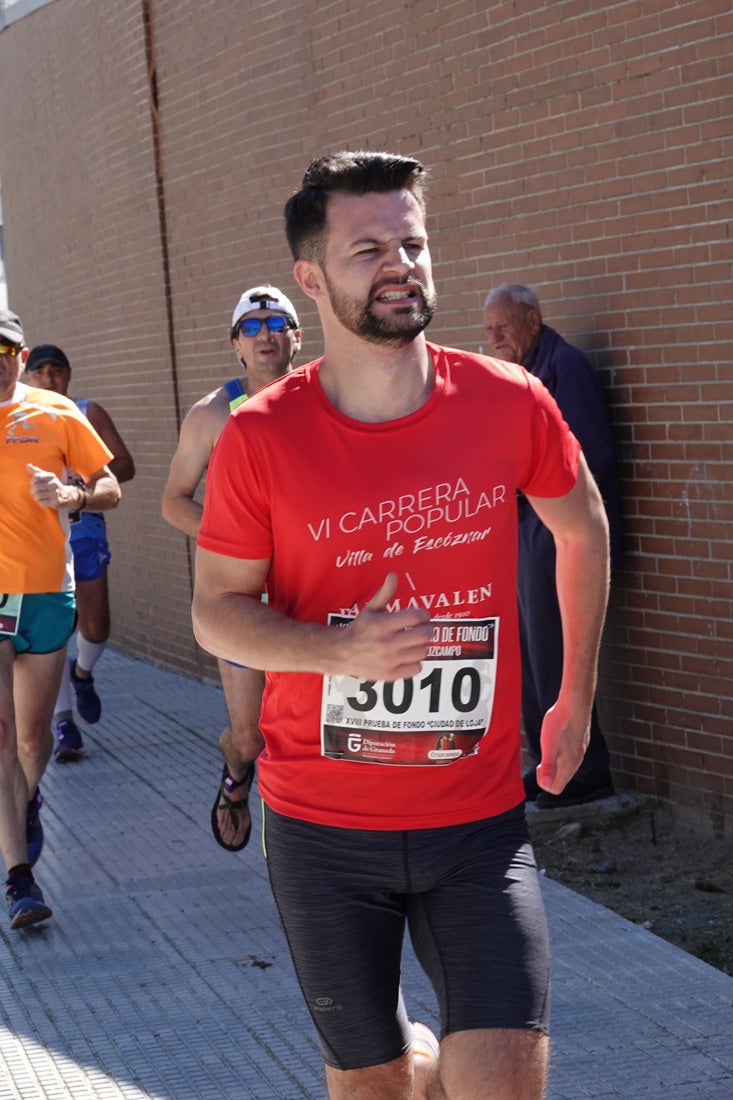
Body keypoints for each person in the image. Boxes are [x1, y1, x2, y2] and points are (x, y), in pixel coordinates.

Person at [192, 152, 610, 1100]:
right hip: (323, 831)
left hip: (477, 821)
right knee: (375, 1087)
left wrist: (574, 698)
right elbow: (215, 612)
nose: (400, 265)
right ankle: (413, 1065)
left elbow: (582, 525)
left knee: (504, 1084)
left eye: (413, 243)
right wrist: (336, 649)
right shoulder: (259, 437)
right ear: (310, 277)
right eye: (369, 247)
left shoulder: (509, 402)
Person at [162, 286, 302, 852]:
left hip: (310, 588)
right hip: (240, 594)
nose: (265, 334)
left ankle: (308, 831)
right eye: (252, 327)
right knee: (249, 737)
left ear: (298, 336)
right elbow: (173, 501)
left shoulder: (326, 398)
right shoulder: (212, 413)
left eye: (277, 323)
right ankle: (236, 777)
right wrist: (239, 545)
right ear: (236, 347)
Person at [0, 309, 120, 929]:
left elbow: (111, 487)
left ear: (19, 357)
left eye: (5, 348)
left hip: (48, 593)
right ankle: (20, 879)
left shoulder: (56, 413)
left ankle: (26, 799)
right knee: (1, 736)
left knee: (30, 740)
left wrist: (73, 495)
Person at [483, 284, 622, 809]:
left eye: (502, 326)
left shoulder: (566, 366)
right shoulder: (524, 373)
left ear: (533, 321)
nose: (492, 337)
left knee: (554, 651)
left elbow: (591, 459)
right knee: (529, 653)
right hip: (528, 530)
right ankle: (546, 767)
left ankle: (584, 772)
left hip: (557, 536)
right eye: (488, 328)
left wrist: (523, 485)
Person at [22, 344, 136, 761]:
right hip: (35, 539)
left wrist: (81, 487)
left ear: (69, 374)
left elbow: (123, 466)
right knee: (55, 631)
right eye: (40, 372)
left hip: (83, 524)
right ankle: (65, 724)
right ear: (27, 375)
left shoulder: (86, 412)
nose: (49, 378)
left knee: (95, 623)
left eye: (57, 371)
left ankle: (83, 673)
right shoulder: (16, 417)